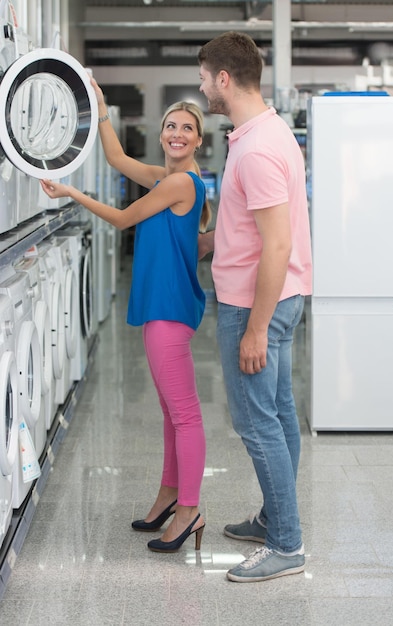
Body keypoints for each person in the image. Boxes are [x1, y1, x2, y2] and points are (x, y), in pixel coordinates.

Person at [40, 87, 211, 554]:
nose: (177, 134)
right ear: (161, 134)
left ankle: (190, 509)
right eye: (171, 126)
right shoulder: (166, 177)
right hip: (163, 306)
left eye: (187, 129)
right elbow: (115, 157)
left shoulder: (180, 183)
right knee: (171, 415)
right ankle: (169, 495)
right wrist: (97, 108)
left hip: (168, 309)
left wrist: (72, 193)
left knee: (184, 414)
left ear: (199, 141)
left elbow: (120, 219)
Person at [197, 31, 312, 582]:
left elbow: (278, 244)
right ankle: (274, 518)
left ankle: (287, 544)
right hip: (279, 295)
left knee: (256, 422)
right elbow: (251, 228)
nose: (200, 88)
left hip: (256, 303)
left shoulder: (259, 147)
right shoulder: (260, 133)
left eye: (203, 78)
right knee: (280, 412)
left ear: (223, 78)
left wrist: (256, 329)